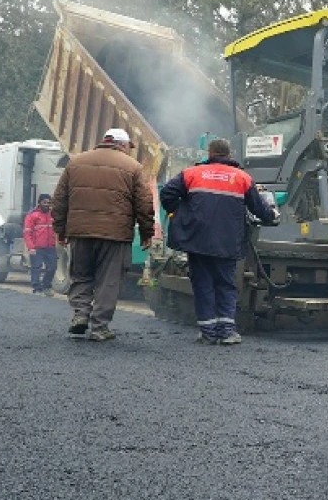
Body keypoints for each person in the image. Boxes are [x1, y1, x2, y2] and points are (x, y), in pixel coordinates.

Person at [160, 138, 278, 345]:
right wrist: (272, 216)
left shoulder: (191, 173)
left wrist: (178, 212)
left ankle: (207, 331)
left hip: (197, 240)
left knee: (202, 283)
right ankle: (226, 332)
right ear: (229, 154)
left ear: (210, 153)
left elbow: (167, 193)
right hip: (227, 241)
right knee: (225, 283)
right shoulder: (242, 177)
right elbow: (258, 208)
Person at [51, 128, 155, 342]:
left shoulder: (76, 162)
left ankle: (80, 315)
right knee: (109, 280)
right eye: (129, 147)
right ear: (123, 145)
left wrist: (60, 230)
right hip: (115, 235)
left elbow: (60, 199)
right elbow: (144, 204)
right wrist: (147, 232)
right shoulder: (133, 167)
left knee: (81, 275)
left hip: (80, 232)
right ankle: (99, 327)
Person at [23, 194, 58, 295]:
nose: (46, 205)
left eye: (48, 203)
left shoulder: (53, 215)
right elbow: (27, 232)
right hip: (37, 247)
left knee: (52, 267)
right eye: (44, 203)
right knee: (36, 268)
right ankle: (36, 288)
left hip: (50, 247)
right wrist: (31, 247)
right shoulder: (32, 215)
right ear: (39, 203)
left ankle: (46, 285)